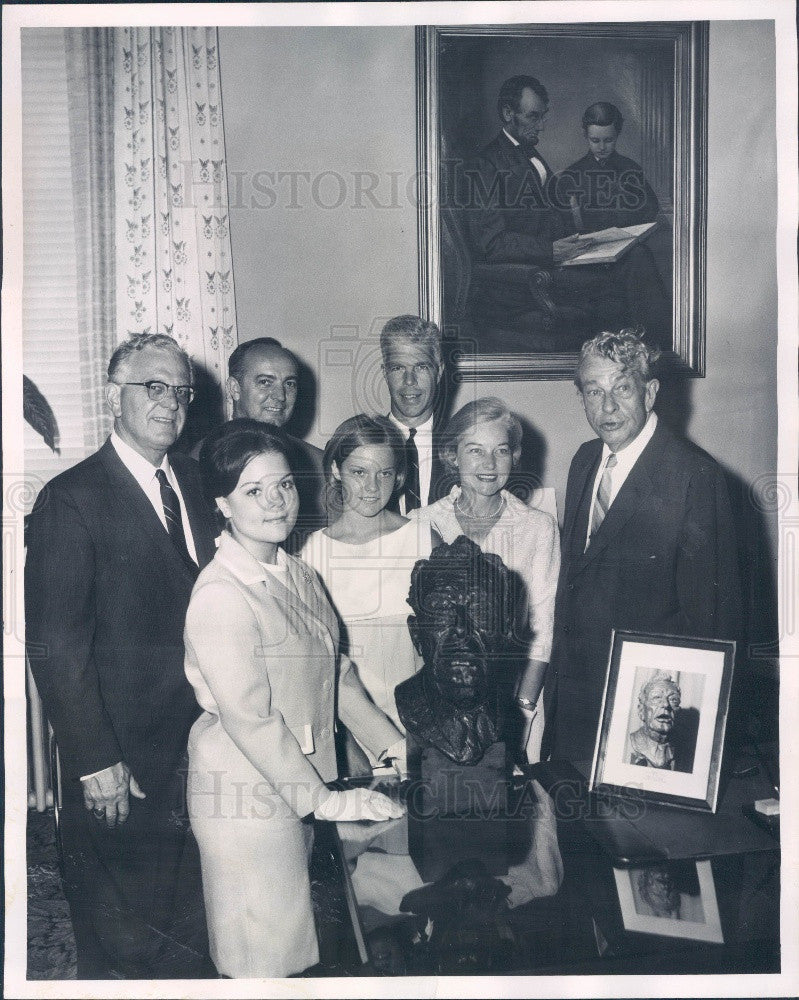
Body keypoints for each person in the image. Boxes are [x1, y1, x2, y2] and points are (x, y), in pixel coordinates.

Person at [24, 333, 218, 978]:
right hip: (120, 760)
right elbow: (56, 645)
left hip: (199, 747)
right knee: (122, 941)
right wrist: (93, 757)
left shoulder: (197, 482)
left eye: (181, 391)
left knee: (192, 925)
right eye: (152, 387)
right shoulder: (71, 499)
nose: (170, 403)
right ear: (114, 397)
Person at [184, 419, 406, 978]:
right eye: (253, 491)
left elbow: (336, 675)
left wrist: (392, 746)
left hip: (297, 783)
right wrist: (325, 801)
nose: (276, 502)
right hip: (246, 796)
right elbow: (250, 717)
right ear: (223, 504)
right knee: (261, 958)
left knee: (299, 947)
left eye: (283, 485)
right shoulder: (219, 593)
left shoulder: (296, 571)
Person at [544, 330, 741, 763]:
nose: (607, 407)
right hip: (574, 706)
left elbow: (711, 623)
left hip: (639, 712)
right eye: (593, 391)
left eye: (622, 388)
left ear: (650, 392)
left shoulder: (694, 477)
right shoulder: (584, 459)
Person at [467, 76, 671, 345]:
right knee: (624, 277)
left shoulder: (529, 153)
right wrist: (551, 250)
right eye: (533, 117)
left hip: (561, 258)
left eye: (543, 116)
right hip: (528, 276)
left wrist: (591, 239)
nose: (541, 125)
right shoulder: (486, 164)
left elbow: (550, 215)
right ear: (508, 113)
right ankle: (645, 352)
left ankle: (657, 348)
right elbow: (490, 242)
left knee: (637, 255)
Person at [412, 398, 560, 762]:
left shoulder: (537, 527)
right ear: (452, 456)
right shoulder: (421, 523)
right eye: (475, 450)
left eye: (501, 451)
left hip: (510, 704)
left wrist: (522, 708)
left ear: (515, 457)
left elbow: (544, 629)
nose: (489, 464)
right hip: (438, 714)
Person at [300, 415, 435, 761]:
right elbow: (317, 669)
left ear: (398, 476)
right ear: (335, 470)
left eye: (384, 473)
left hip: (422, 723)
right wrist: (346, 744)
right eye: (359, 472)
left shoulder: (422, 539)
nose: (373, 487)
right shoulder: (313, 554)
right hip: (350, 732)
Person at [195, 337, 326, 540]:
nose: (281, 396)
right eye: (265, 382)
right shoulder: (197, 461)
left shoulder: (318, 464)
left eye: (289, 384)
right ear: (234, 388)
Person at [555, 102, 661, 234]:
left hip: (627, 241)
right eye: (595, 141)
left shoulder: (630, 168)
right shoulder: (571, 175)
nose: (602, 147)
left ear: (617, 134)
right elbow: (562, 221)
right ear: (585, 135)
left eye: (608, 140)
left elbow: (651, 207)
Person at [380, 315, 450, 513]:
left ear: (439, 372)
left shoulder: (463, 443)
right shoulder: (360, 446)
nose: (409, 380)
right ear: (385, 373)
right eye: (398, 367)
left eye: (421, 367)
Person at [628, 674, 683, 770]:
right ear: (641, 710)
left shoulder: (681, 747)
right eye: (657, 698)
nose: (666, 704)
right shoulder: (631, 742)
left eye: (673, 699)